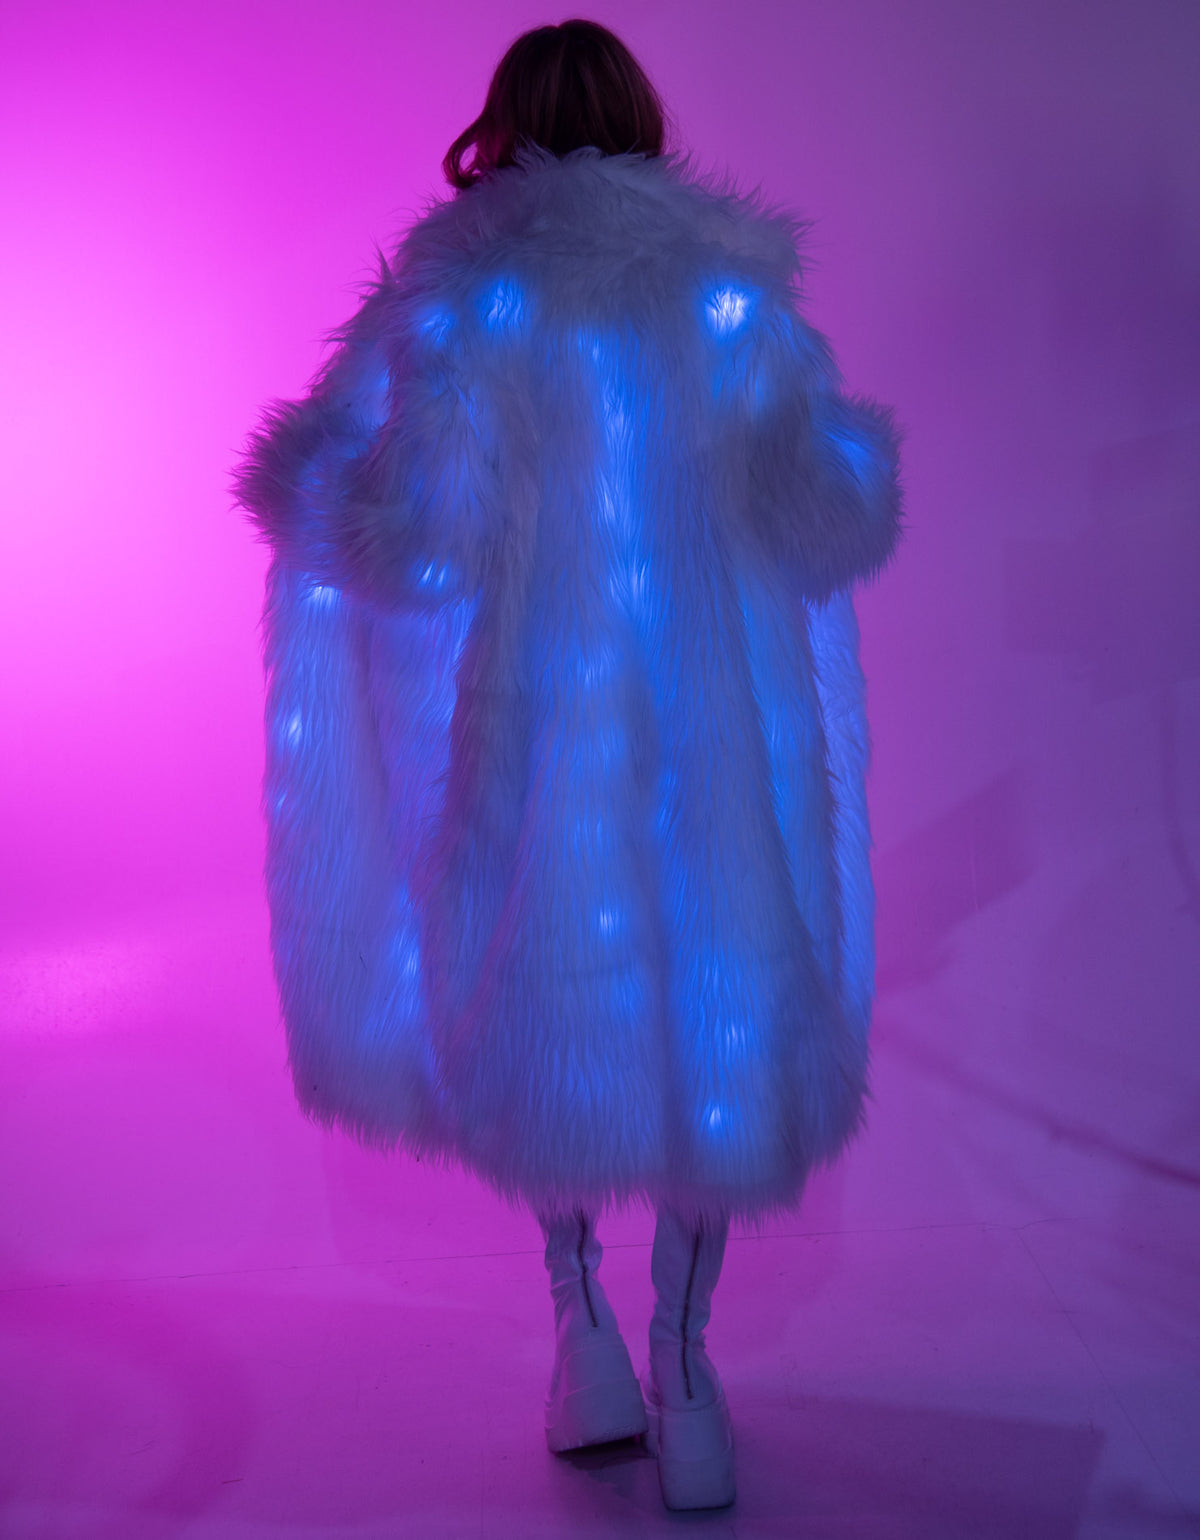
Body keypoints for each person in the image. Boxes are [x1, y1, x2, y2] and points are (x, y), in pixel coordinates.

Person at [234, 19, 902, 1512]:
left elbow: (408, 540)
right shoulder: (731, 293)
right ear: (643, 118)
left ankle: (582, 1332)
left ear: (502, 130)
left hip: (535, 759)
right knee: (715, 1055)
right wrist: (840, 447)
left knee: (536, 1027)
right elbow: (829, 516)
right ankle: (684, 1374)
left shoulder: (463, 301)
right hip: (716, 776)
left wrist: (307, 475)